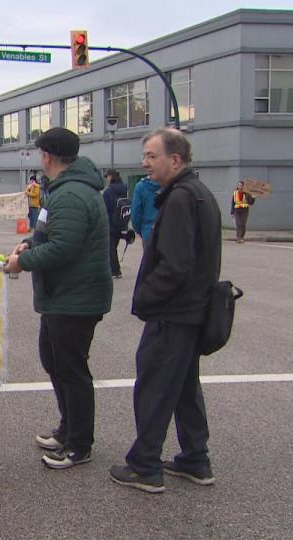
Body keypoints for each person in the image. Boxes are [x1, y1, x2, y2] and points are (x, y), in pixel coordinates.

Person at [108, 128, 222, 494]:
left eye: (152, 156)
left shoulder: (178, 199)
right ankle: (195, 459)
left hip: (172, 314)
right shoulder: (199, 194)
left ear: (175, 159)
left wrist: (145, 298)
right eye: (145, 155)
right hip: (192, 312)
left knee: (154, 386)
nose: (145, 163)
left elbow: (175, 265)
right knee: (185, 386)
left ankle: (145, 465)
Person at [3, 127, 112, 470]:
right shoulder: (64, 191)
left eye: (40, 153)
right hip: (62, 296)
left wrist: (23, 261)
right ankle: (68, 429)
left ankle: (80, 445)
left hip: (75, 298)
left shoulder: (70, 194)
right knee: (54, 361)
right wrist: (31, 245)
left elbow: (64, 248)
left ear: (47, 156)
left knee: (71, 370)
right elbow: (55, 236)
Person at [103, 169, 128, 278]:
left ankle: (115, 271)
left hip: (110, 222)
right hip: (122, 220)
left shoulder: (108, 191)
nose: (107, 179)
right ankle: (115, 269)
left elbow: (105, 208)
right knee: (114, 246)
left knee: (110, 248)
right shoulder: (124, 188)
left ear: (111, 176)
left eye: (107, 176)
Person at [131, 175, 159, 246]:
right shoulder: (169, 184)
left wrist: (142, 231)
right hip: (167, 233)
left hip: (148, 232)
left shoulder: (140, 187)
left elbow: (135, 215)